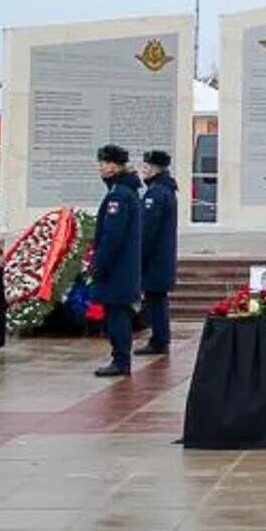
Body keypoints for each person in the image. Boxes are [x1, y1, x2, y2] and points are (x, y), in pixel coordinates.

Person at [89, 144, 143, 378]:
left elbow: (112, 236)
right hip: (123, 266)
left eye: (104, 162)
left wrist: (99, 265)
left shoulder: (119, 195)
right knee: (116, 312)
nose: (101, 167)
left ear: (115, 166)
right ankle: (120, 359)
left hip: (117, 268)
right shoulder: (123, 191)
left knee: (116, 314)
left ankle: (121, 360)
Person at [135, 149, 179, 357]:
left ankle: (159, 340)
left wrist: (139, 254)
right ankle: (160, 338)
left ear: (155, 169)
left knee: (156, 300)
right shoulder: (164, 190)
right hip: (160, 257)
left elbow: (148, 229)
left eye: (146, 167)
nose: (143, 171)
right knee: (157, 299)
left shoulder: (156, 193)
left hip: (155, 258)